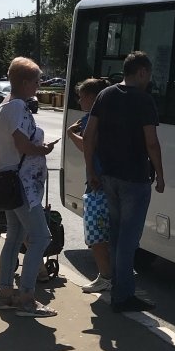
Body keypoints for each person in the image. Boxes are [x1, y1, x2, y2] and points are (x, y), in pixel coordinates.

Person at [83, 51, 164, 314]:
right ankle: (123, 296)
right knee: (129, 239)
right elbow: (151, 142)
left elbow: (89, 134)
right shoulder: (144, 101)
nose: (149, 79)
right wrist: (161, 175)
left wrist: (90, 171)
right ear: (141, 72)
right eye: (148, 74)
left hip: (109, 177)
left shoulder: (106, 95)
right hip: (135, 179)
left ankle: (119, 288)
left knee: (117, 235)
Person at [0, 57, 59, 318]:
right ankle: (27, 298)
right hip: (22, 185)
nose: (39, 85)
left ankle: (6, 293)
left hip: (9, 181)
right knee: (41, 237)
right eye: (36, 80)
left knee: (15, 236)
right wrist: (42, 149)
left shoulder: (4, 105)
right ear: (23, 82)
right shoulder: (18, 107)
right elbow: (22, 145)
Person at [67, 77, 112, 294]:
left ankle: (105, 277)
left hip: (96, 182)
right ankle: (114, 275)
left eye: (82, 96)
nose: (79, 100)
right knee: (112, 233)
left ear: (93, 98)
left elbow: (86, 146)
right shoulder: (113, 117)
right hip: (114, 182)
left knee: (96, 233)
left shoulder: (89, 120)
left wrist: (70, 134)